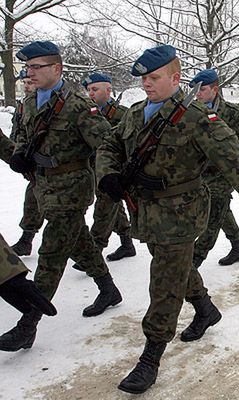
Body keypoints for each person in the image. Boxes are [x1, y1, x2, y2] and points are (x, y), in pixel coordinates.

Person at [95, 44, 239, 394]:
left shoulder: (196, 118)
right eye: (144, 79)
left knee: (164, 279)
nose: (147, 84)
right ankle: (206, 309)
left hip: (181, 214)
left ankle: (150, 355)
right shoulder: (135, 115)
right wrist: (108, 174)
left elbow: (235, 162)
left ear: (176, 79)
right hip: (146, 212)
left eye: (154, 78)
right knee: (175, 267)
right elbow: (109, 145)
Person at [1, 40, 123, 353]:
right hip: (44, 188)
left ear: (57, 68)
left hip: (71, 190)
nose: (31, 72)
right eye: (28, 68)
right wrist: (17, 155)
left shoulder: (77, 104)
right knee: (80, 244)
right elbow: (23, 142)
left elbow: (106, 143)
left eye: (37, 67)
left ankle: (28, 324)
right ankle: (108, 289)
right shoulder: (31, 103)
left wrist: (112, 175)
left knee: (52, 253)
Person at [189, 68, 239, 268]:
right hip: (200, 174)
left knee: (212, 214)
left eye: (202, 89)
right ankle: (237, 246)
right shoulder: (191, 112)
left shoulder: (232, 114)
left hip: (225, 174)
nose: (198, 94)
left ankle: (194, 260)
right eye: (196, 90)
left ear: (215, 89)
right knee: (222, 210)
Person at [70, 73, 136, 273]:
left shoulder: (123, 115)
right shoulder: (87, 115)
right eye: (89, 90)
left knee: (104, 209)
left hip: (115, 172)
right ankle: (127, 243)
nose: (91, 93)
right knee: (114, 209)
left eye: (95, 89)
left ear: (108, 90)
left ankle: (95, 249)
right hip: (94, 170)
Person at [10, 69, 44, 257]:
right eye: (24, 83)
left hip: (52, 167)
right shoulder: (25, 105)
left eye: (30, 83)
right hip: (31, 162)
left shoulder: (48, 104)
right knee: (33, 199)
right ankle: (27, 239)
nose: (26, 86)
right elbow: (20, 132)